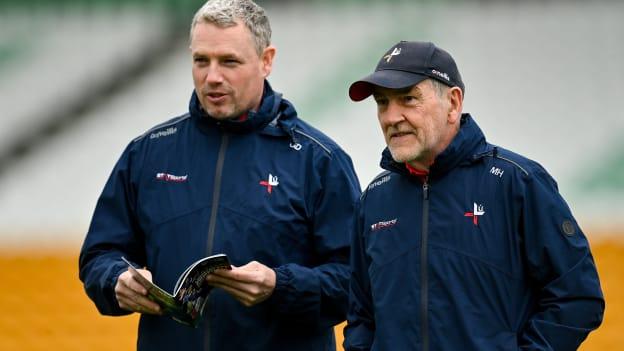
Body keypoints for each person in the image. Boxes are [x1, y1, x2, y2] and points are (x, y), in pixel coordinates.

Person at [79, 1, 360, 350]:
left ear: (266, 60)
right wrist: (115, 279)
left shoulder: (320, 160)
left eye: (229, 61)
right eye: (201, 60)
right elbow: (100, 254)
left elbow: (358, 282)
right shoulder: (147, 152)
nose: (212, 76)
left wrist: (280, 285)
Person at [343, 40, 604, 350]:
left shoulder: (518, 183)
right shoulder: (374, 199)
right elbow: (361, 316)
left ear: (453, 103)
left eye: (408, 99)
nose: (390, 117)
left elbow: (578, 296)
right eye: (383, 102)